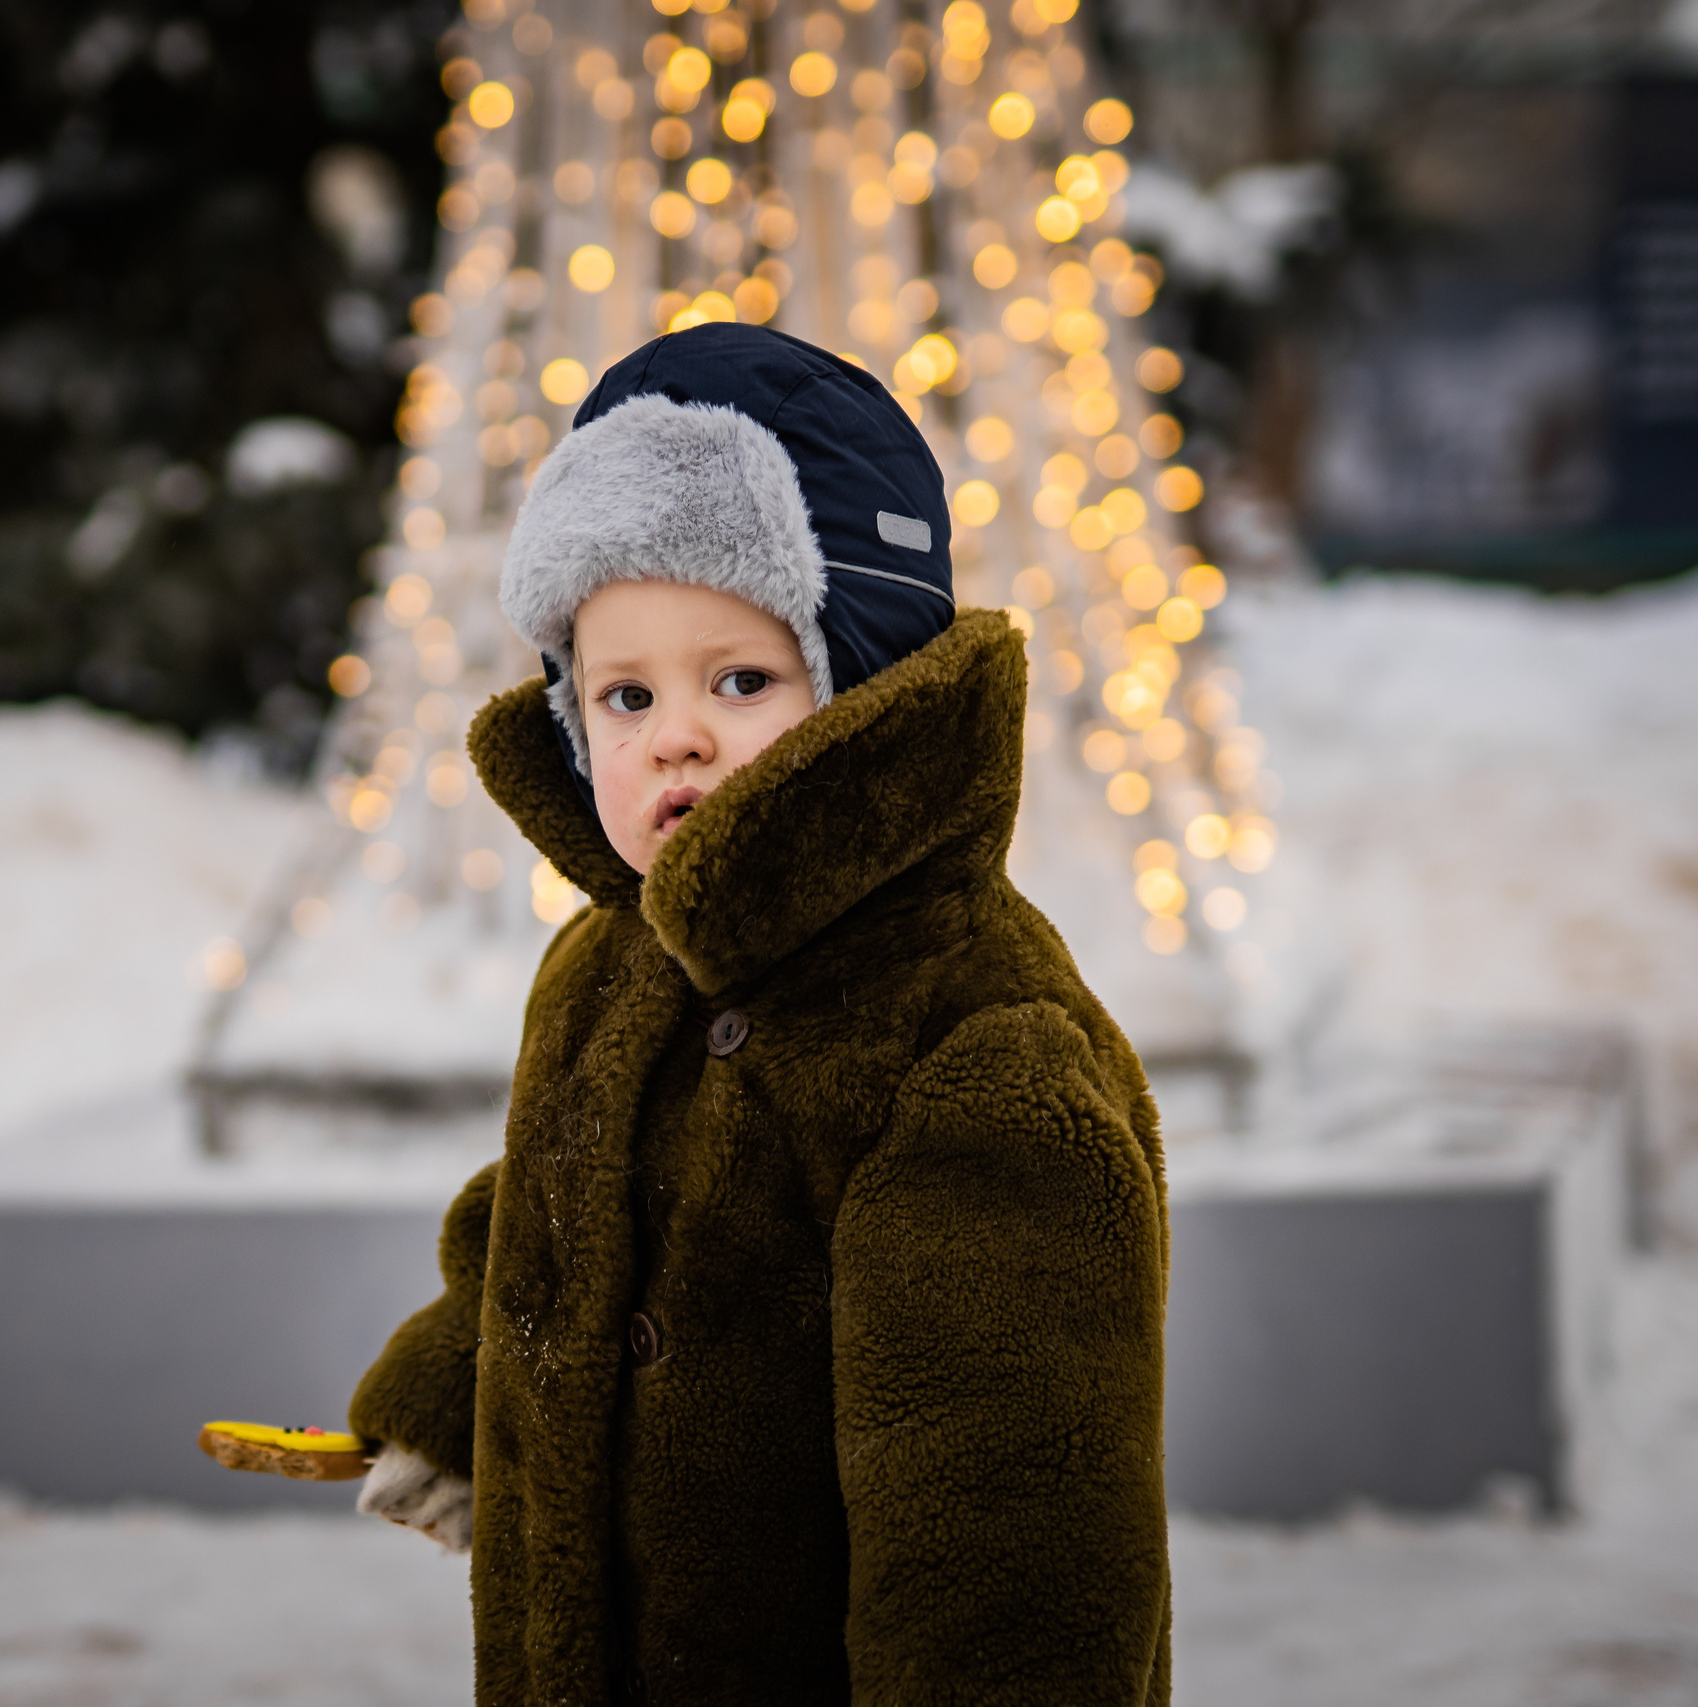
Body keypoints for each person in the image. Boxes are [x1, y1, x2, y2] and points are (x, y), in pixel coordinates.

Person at [348, 322, 1171, 1706]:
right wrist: (464, 1388)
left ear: (864, 687)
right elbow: (570, 1213)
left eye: (740, 679)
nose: (676, 733)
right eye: (625, 693)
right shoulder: (611, 969)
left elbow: (1013, 1546)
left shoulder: (967, 1044)